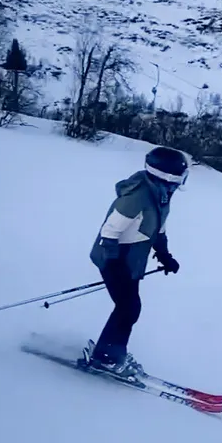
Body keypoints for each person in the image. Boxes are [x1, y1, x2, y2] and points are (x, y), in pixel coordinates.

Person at [81, 146, 188, 377]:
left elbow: (158, 230)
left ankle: (109, 352)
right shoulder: (137, 196)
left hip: (132, 260)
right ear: (165, 177)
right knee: (128, 308)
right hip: (114, 258)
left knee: (129, 308)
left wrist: (165, 255)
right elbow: (109, 231)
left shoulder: (161, 197)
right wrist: (114, 262)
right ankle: (107, 357)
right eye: (177, 180)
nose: (178, 186)